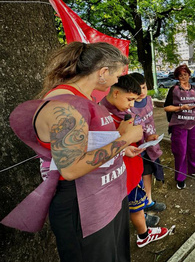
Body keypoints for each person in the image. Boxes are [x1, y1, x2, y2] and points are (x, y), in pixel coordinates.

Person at [3, 42, 143, 262]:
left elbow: (88, 145)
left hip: (106, 199)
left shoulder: (86, 99)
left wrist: (121, 148)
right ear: (103, 72)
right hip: (84, 209)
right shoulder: (64, 107)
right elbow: (70, 168)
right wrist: (125, 138)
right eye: (117, 74)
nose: (118, 81)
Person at [101, 75, 169, 248]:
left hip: (133, 167)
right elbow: (102, 148)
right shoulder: (101, 116)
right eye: (130, 99)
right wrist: (123, 142)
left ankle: (143, 226)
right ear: (116, 93)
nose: (132, 105)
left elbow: (139, 130)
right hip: (118, 173)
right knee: (130, 204)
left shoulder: (126, 112)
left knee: (136, 202)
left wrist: (147, 137)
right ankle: (143, 234)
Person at [164, 65, 195, 189]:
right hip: (179, 125)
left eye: (185, 74)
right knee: (180, 151)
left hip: (193, 124)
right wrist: (181, 107)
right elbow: (166, 107)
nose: (183, 77)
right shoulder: (174, 90)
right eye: (180, 75)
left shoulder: (194, 89)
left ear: (189, 75)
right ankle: (180, 176)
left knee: (194, 148)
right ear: (177, 77)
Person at [129, 73, 165, 209]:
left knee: (148, 173)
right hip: (137, 148)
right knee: (138, 176)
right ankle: (140, 207)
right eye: (137, 90)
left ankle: (149, 201)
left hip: (151, 145)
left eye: (143, 88)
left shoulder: (149, 100)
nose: (141, 92)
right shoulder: (129, 105)